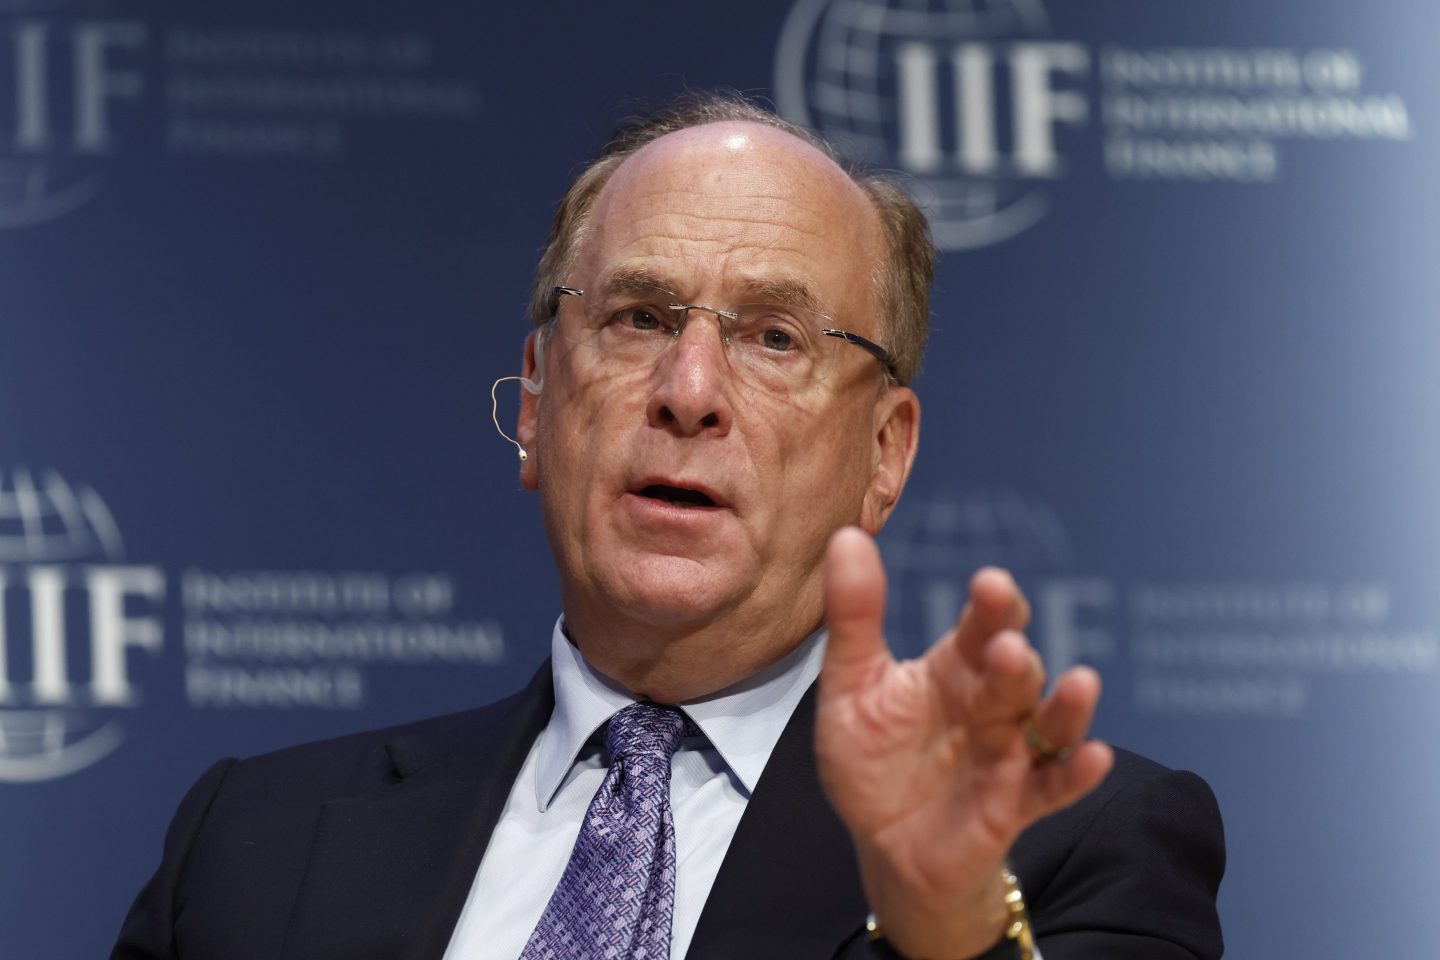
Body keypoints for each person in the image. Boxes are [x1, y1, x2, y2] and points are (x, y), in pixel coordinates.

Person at [111, 92, 1224, 960]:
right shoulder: (250, 846)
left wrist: (950, 936)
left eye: (775, 337)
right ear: (538, 401)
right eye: (640, 317)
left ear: (884, 454)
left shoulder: (1073, 848)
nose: (689, 390)